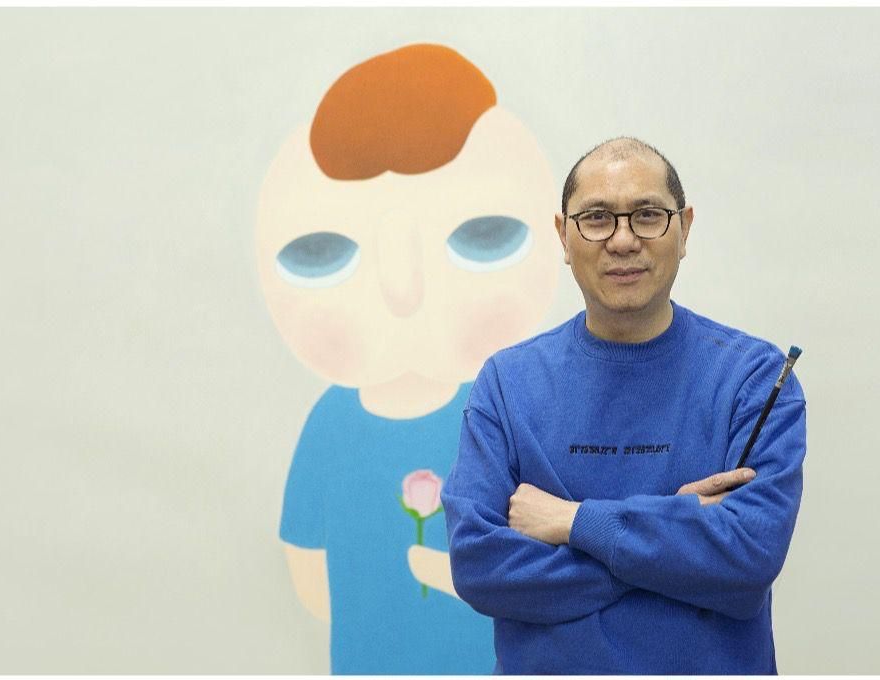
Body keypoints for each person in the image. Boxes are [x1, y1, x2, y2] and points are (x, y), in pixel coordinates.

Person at [441, 137, 807, 674]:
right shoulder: (507, 383)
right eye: (596, 218)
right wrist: (675, 533)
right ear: (563, 236)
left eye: (647, 215)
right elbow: (480, 566)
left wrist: (572, 521)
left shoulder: (754, 378)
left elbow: (748, 557)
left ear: (685, 228)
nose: (623, 240)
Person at [256, 44, 561, 673]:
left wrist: (452, 581)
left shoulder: (500, 412)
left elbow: (550, 552)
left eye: (484, 236)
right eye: (322, 252)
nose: (405, 294)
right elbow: (308, 573)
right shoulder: (332, 424)